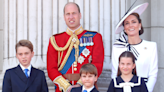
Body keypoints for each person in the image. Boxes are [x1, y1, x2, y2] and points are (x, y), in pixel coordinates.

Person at [47, 2, 104, 92]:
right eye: (68, 14)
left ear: (80, 15)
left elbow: (97, 64)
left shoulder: (95, 37)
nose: (71, 17)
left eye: (74, 13)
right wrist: (66, 86)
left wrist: (80, 84)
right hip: (63, 89)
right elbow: (51, 68)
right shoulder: (55, 40)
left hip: (86, 88)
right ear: (64, 17)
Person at [111, 3, 158, 92]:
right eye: (127, 23)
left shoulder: (151, 46)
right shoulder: (118, 47)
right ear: (124, 28)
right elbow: (114, 74)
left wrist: (145, 90)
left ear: (139, 25)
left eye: (134, 22)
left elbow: (153, 74)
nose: (130, 25)